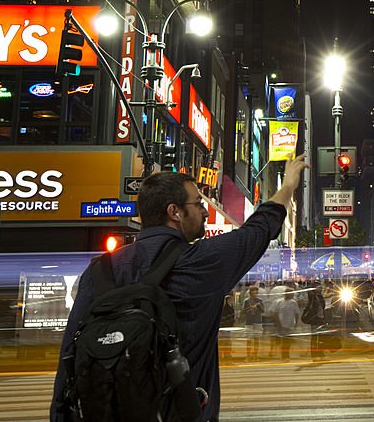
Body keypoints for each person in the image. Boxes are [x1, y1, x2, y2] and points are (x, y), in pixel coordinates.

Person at [50, 154, 309, 422]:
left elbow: (69, 356)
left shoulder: (99, 270)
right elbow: (259, 228)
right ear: (175, 212)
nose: (205, 211)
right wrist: (288, 185)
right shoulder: (200, 263)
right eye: (198, 204)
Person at [275, 290, 303, 361]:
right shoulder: (280, 302)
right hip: (281, 324)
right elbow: (275, 313)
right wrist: (278, 323)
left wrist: (296, 323)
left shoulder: (293, 303)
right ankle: (284, 356)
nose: (292, 295)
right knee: (283, 341)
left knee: (288, 341)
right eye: (291, 294)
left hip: (290, 324)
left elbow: (297, 313)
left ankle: (286, 355)